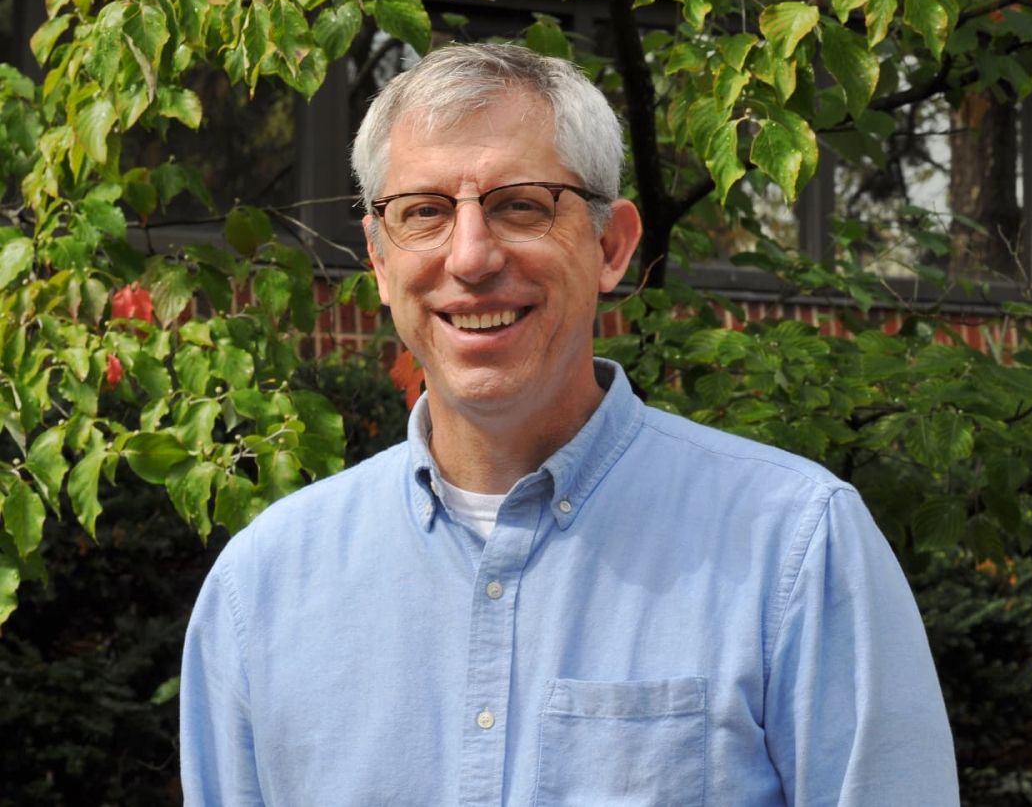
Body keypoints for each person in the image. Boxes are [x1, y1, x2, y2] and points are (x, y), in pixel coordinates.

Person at [180, 43, 959, 805]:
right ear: (380, 262)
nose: (472, 256)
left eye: (521, 205)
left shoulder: (793, 550)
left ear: (612, 245)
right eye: (423, 213)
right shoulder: (262, 588)